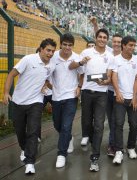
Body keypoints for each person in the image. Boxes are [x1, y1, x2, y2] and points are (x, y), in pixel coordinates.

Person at [3, 38, 57, 174]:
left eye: (52, 51)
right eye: (48, 50)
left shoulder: (51, 66)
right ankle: (24, 148)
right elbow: (11, 75)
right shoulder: (28, 59)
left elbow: (46, 78)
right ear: (41, 49)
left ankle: (30, 162)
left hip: (36, 102)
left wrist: (47, 86)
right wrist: (5, 93)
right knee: (20, 130)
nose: (50, 53)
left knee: (33, 131)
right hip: (19, 101)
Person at [69, 28, 114, 172]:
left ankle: (94, 158)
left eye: (104, 37)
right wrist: (81, 62)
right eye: (99, 37)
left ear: (107, 40)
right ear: (95, 38)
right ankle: (91, 139)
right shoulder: (86, 53)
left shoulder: (110, 55)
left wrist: (105, 82)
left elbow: (108, 76)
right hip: (87, 93)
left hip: (101, 94)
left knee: (99, 125)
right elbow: (72, 67)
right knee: (87, 123)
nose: (102, 39)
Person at [47, 33, 83, 168]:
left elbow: (82, 74)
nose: (67, 47)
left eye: (70, 45)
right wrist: (48, 84)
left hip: (71, 97)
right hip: (56, 96)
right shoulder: (54, 56)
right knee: (58, 125)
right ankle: (68, 138)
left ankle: (61, 154)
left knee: (66, 125)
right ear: (60, 44)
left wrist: (79, 87)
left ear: (72, 46)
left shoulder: (77, 58)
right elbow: (47, 71)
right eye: (65, 44)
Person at [111, 36, 137, 164]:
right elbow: (114, 76)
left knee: (134, 125)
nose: (132, 48)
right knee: (118, 124)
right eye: (130, 45)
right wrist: (117, 93)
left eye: (134, 45)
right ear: (123, 45)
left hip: (132, 98)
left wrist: (134, 98)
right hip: (120, 98)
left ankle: (131, 147)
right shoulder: (116, 59)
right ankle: (118, 151)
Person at [106, 33, 123, 157]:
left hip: (120, 94)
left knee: (116, 121)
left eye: (119, 42)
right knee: (112, 120)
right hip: (108, 93)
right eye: (115, 41)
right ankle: (113, 145)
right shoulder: (108, 53)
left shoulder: (126, 56)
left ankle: (115, 145)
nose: (116, 44)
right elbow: (98, 35)